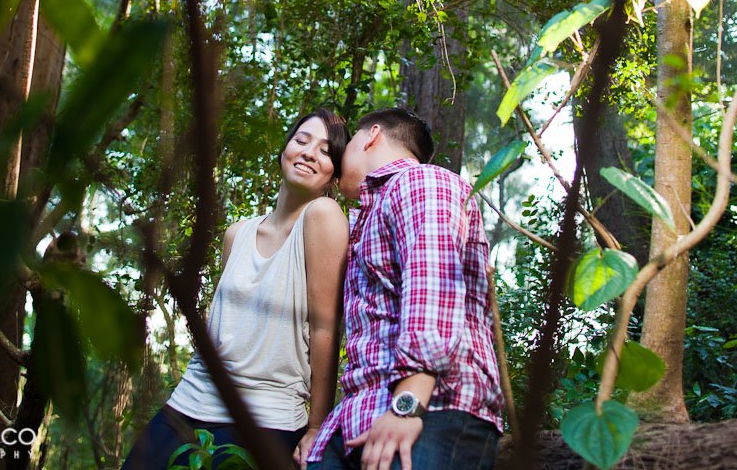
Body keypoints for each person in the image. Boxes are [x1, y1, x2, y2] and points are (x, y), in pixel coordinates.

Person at [123, 109, 349, 470]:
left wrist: (317, 425)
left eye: (325, 151)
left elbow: (325, 325)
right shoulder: (237, 233)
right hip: (188, 402)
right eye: (302, 141)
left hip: (265, 416)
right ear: (284, 150)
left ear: (334, 176)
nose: (308, 153)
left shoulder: (323, 215)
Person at [307, 107, 504, 470]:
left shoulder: (419, 182)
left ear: (371, 136)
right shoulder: (372, 213)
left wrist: (409, 403)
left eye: (348, 142)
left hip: (432, 410)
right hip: (362, 418)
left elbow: (433, 285)